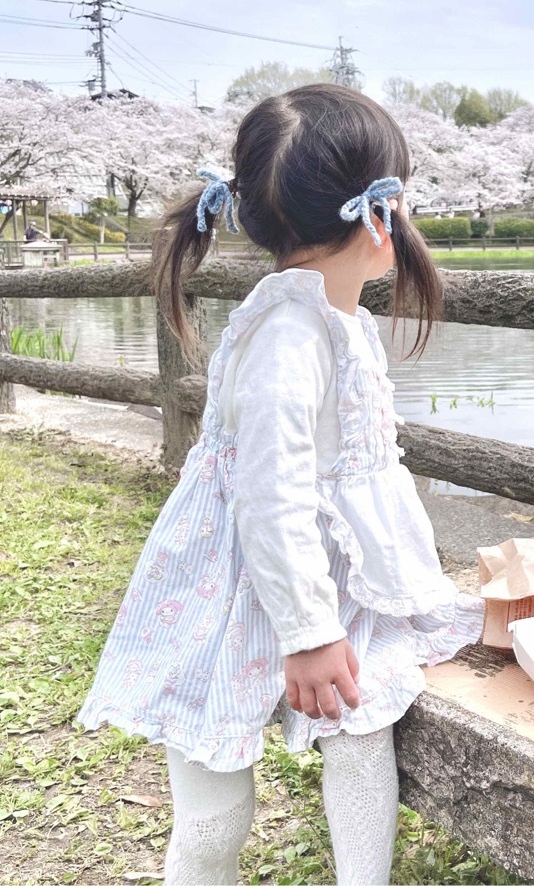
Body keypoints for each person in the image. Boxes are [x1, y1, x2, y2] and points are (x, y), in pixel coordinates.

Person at [77, 85, 485, 885]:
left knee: (362, 729)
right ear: (375, 216)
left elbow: (360, 467)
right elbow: (270, 499)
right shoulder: (286, 339)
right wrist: (306, 632)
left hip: (339, 582)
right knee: (214, 809)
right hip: (235, 590)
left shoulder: (340, 320)